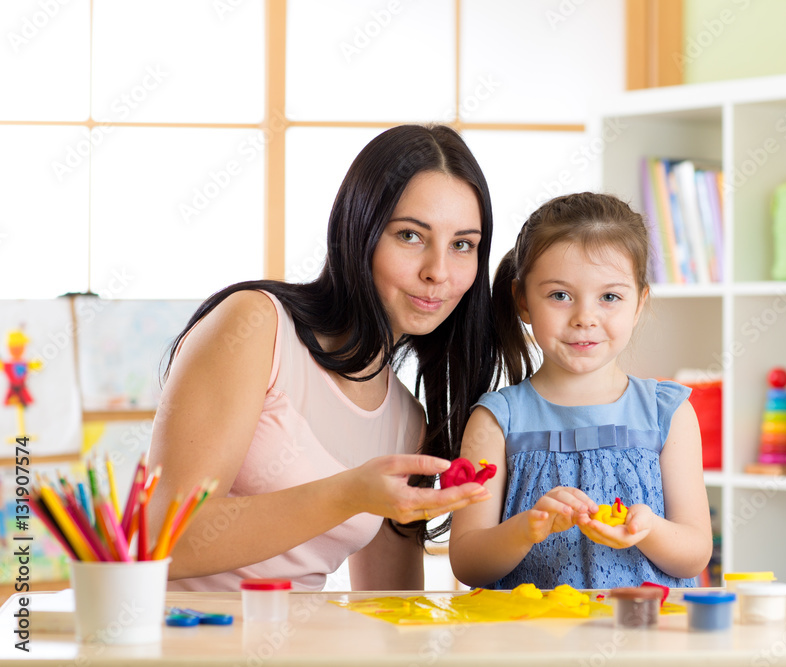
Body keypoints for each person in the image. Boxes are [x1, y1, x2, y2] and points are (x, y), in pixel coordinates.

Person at [148, 124, 498, 592]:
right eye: (411, 236)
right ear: (359, 231)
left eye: (462, 245)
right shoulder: (257, 326)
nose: (438, 271)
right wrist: (350, 493)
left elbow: (390, 604)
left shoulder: (406, 423)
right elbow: (160, 540)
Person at [448, 192, 713, 590]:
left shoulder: (667, 413)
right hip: (531, 643)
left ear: (639, 303)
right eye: (560, 295)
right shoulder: (495, 420)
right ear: (522, 300)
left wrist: (648, 529)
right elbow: (468, 563)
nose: (585, 318)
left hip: (646, 641)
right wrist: (526, 529)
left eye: (610, 297)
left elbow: (695, 552)